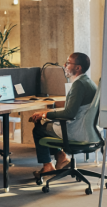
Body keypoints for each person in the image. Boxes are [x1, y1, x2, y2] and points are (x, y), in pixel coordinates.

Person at [29, 52, 97, 182]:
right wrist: (52, 110)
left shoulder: (79, 84)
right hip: (87, 129)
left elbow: (69, 113)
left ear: (78, 68)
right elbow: (74, 107)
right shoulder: (88, 82)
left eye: (68, 63)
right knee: (47, 124)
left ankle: (48, 166)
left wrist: (45, 114)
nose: (65, 65)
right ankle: (61, 157)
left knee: (39, 126)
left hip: (76, 131)